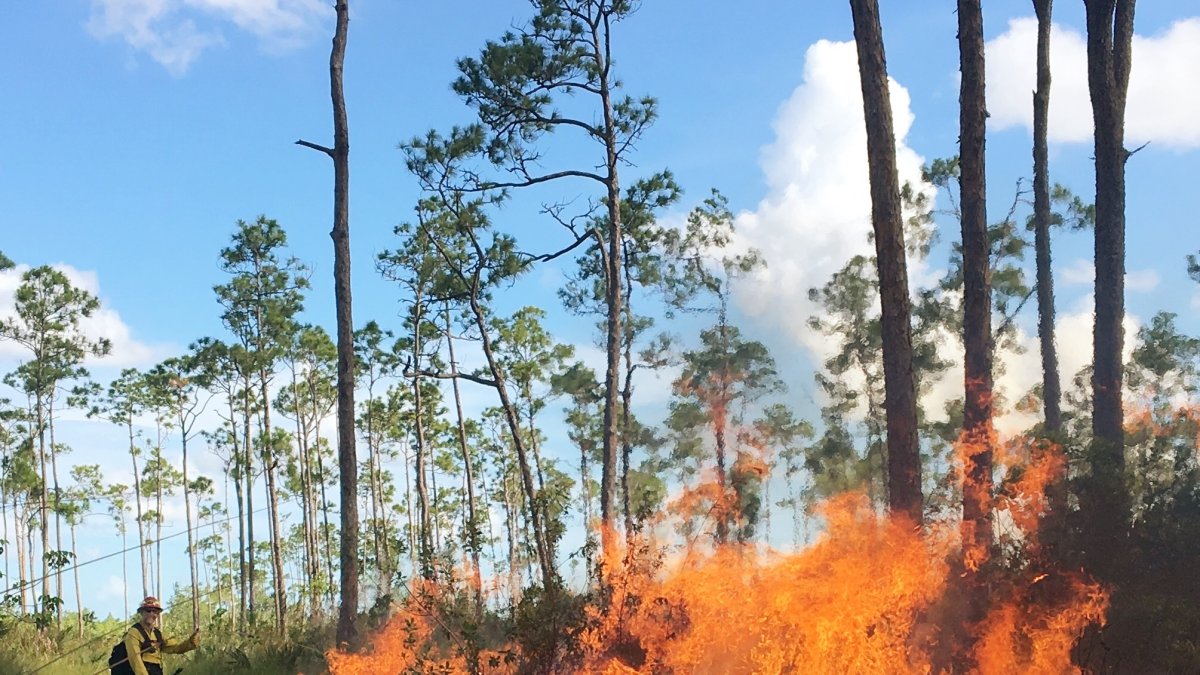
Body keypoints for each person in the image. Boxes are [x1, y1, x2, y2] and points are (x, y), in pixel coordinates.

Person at [118, 596, 200, 675]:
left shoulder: (157, 634)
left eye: (155, 612)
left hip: (156, 670)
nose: (152, 614)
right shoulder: (134, 632)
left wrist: (191, 643)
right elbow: (135, 660)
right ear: (141, 612)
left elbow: (175, 648)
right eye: (148, 611)